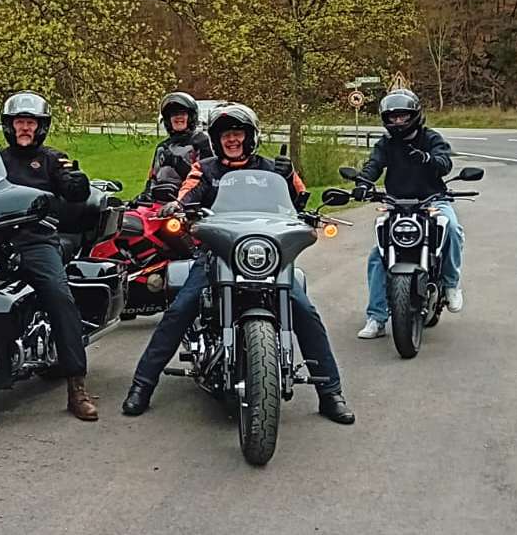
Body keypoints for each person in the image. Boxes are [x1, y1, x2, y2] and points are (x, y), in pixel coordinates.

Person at [121, 103, 355, 424]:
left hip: (266, 255)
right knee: (181, 308)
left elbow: (299, 202)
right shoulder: (205, 168)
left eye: (238, 133)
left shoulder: (272, 169)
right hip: (216, 253)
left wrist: (291, 179)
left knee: (305, 311)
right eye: (225, 135)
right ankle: (142, 386)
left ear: (250, 136)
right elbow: (188, 193)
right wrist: (177, 205)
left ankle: (331, 394)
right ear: (216, 140)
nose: (232, 140)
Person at [0, 91, 98, 421]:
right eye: (20, 122)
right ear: (9, 125)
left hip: (36, 241)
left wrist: (76, 183)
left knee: (59, 296)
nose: (25, 128)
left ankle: (76, 386)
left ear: (41, 127)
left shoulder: (53, 160)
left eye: (31, 122)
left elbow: (72, 188)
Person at [356, 89, 464, 339]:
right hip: (396, 203)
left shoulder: (431, 138)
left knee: (452, 229)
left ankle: (451, 285)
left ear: (414, 115)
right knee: (377, 255)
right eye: (392, 117)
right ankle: (376, 318)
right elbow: (374, 164)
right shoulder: (386, 143)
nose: (397, 122)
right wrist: (363, 183)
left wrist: (427, 159)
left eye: (403, 116)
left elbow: (445, 162)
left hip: (432, 200)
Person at [137, 91, 212, 201]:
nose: (178, 117)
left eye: (182, 113)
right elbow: (152, 178)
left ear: (191, 116)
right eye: (173, 114)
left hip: (189, 202)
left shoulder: (201, 141)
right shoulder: (162, 147)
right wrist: (145, 195)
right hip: (159, 201)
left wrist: (179, 164)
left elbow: (206, 178)